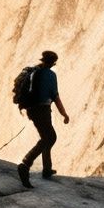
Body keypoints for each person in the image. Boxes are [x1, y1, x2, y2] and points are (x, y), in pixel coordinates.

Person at [17, 50, 70, 187]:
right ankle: (25, 164)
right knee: (49, 137)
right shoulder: (50, 75)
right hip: (42, 110)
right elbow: (55, 97)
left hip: (33, 110)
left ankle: (46, 169)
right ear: (53, 63)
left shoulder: (35, 72)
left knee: (46, 137)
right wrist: (64, 114)